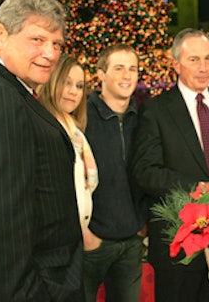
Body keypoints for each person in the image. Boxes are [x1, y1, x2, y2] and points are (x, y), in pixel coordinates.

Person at [132, 28, 209, 302]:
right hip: (177, 246)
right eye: (194, 59)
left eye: (208, 59)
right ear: (176, 64)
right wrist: (197, 188)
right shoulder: (155, 110)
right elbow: (145, 172)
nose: (204, 67)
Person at [0, 0, 84, 301]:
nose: (51, 54)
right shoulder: (1, 95)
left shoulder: (15, 91)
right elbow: (3, 215)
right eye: (37, 40)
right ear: (0, 34)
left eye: (56, 44)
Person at [84, 43, 148, 302]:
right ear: (101, 74)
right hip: (91, 242)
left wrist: (142, 225)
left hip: (131, 242)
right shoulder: (81, 116)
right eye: (119, 68)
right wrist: (85, 233)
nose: (127, 76)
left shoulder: (144, 118)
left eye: (132, 69)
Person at [38, 55, 98, 233]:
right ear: (52, 81)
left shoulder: (75, 132)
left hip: (75, 235)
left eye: (79, 86)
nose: (74, 91)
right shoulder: (42, 127)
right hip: (51, 238)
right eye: (66, 82)